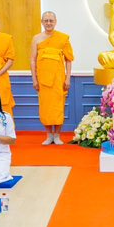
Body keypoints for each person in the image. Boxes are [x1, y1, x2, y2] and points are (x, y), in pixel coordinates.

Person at [33, 11, 76, 145]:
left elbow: (68, 60)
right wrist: (34, 79)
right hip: (43, 79)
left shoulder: (63, 38)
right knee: (45, 107)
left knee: (58, 107)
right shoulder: (37, 38)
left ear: (55, 22)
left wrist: (67, 78)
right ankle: (48, 135)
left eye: (51, 20)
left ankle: (57, 135)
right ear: (42, 22)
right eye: (46, 20)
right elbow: (32, 60)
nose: (48, 23)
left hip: (58, 79)